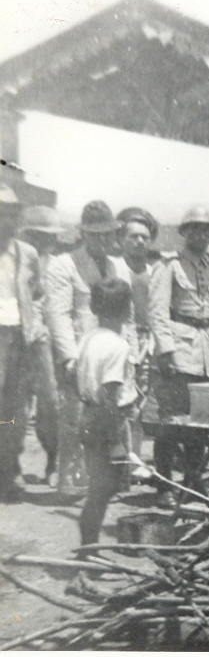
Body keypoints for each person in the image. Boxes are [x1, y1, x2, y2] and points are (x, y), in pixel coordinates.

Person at [149, 206, 209, 506]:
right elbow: (157, 313)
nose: (201, 235)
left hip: (206, 354)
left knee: (200, 425)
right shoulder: (169, 265)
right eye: (194, 229)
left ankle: (191, 484)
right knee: (170, 424)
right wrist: (166, 352)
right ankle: (164, 487)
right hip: (179, 355)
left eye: (207, 230)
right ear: (184, 233)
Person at [46, 200, 128, 492]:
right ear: (84, 233)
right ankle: (70, 481)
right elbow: (58, 314)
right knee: (74, 419)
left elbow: (124, 312)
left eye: (108, 234)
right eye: (96, 234)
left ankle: (109, 480)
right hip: (80, 355)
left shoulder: (118, 266)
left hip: (111, 355)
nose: (103, 240)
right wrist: (70, 359)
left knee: (113, 415)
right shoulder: (64, 265)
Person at [76, 278, 137, 545]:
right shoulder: (118, 346)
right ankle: (88, 545)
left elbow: (74, 375)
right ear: (126, 312)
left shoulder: (89, 338)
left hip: (88, 416)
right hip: (107, 422)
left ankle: (89, 543)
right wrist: (115, 442)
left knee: (100, 485)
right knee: (102, 489)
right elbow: (109, 396)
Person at [0, 187, 48, 502]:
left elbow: (39, 293)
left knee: (15, 409)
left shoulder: (27, 253)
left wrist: (34, 323)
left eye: (13, 212)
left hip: (18, 338)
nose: (8, 218)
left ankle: (9, 470)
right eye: (3, 211)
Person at [17, 205, 66, 483]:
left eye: (48, 236)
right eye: (37, 235)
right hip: (18, 343)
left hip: (48, 345)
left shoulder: (57, 264)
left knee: (50, 405)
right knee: (15, 408)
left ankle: (53, 461)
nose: (44, 241)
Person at [113, 207, 159, 458]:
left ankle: (135, 457)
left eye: (145, 236)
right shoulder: (115, 268)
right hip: (121, 339)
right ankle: (119, 458)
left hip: (148, 343)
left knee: (141, 401)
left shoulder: (155, 273)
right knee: (121, 400)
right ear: (121, 239)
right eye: (133, 236)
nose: (140, 241)